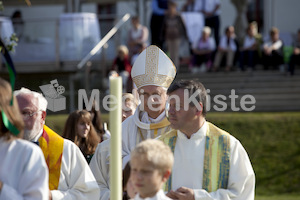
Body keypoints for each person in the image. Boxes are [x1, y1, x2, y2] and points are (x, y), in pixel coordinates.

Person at [89, 45, 176, 200]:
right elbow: (95, 183)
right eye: (144, 94)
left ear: (167, 95)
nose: (150, 100)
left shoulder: (178, 128)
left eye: (156, 94)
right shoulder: (125, 129)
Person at [159, 80, 255, 200]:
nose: (170, 112)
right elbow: (143, 189)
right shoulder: (159, 145)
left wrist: (198, 197)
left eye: (178, 106)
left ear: (198, 109)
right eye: (170, 105)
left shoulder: (228, 145)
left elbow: (243, 194)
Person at [14, 88, 100, 200]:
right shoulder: (4, 148)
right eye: (14, 113)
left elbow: (89, 194)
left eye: (26, 113)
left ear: (42, 116)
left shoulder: (66, 150)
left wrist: (52, 196)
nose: (19, 120)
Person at [0, 78, 49, 200]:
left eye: (26, 113)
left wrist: (1, 188)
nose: (22, 118)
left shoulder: (27, 153)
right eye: (19, 112)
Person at [161, 0, 188, 69]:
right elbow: (164, 27)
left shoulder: (178, 16)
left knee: (175, 53)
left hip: (176, 37)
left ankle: (176, 68)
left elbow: (183, 26)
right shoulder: (166, 16)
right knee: (170, 53)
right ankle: (171, 68)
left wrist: (185, 35)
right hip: (168, 37)